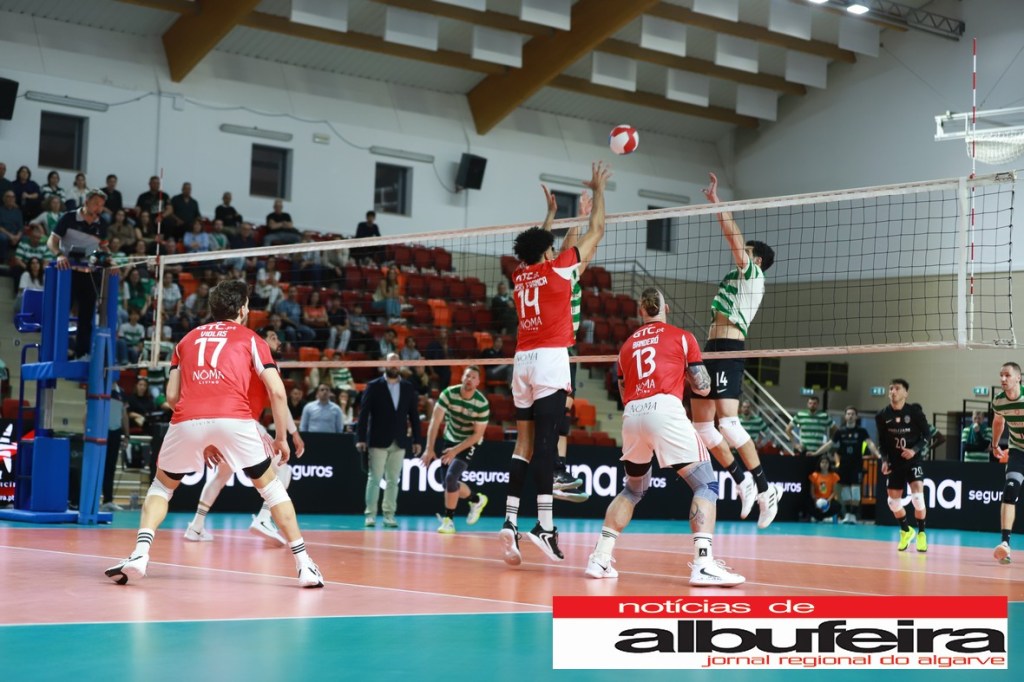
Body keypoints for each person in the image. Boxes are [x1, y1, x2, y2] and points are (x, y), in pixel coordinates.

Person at [104, 279, 323, 588]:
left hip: (187, 418)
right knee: (273, 490)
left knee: (162, 487)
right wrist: (281, 438)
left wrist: (203, 436)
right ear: (243, 309)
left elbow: (172, 396)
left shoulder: (185, 340)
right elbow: (277, 391)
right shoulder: (252, 339)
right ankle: (304, 564)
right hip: (235, 418)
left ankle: (140, 554)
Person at [584, 287, 744, 586]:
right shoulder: (682, 337)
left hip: (633, 414)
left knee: (633, 489)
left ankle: (600, 558)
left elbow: (622, 391)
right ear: (665, 308)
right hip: (665, 409)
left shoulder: (626, 346)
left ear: (641, 311)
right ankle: (703, 563)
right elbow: (703, 388)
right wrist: (689, 376)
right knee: (706, 483)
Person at [500, 161, 610, 566]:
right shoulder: (559, 270)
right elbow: (597, 230)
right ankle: (544, 526)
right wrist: (599, 191)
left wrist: (549, 216)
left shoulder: (520, 276)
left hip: (522, 362)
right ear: (548, 251)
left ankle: (510, 521)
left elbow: (535, 247)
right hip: (549, 360)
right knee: (546, 445)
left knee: (523, 445)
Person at [689, 171, 781, 529]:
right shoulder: (736, 277)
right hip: (710, 348)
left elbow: (733, 236)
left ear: (756, 260)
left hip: (729, 347)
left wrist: (717, 203)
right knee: (702, 426)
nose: (741, 255)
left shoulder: (753, 275)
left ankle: (765, 489)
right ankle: (742, 481)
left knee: (727, 422)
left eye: (747, 253)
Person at [184, 328, 306, 545]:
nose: (278, 341)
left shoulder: (236, 358)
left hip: (221, 423)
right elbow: (279, 399)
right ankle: (264, 518)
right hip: (244, 424)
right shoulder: (265, 361)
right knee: (283, 469)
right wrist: (293, 433)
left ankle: (196, 526)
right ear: (261, 341)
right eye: (273, 337)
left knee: (221, 475)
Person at [419, 366, 491, 534]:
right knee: (448, 484)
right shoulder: (449, 394)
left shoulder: (482, 404)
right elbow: (435, 422)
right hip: (449, 439)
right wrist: (429, 448)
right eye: (467, 376)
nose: (469, 379)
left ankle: (448, 521)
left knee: (451, 477)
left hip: (468, 443)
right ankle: (477, 499)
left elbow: (477, 435)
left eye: (473, 377)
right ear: (462, 378)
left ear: (478, 382)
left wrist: (455, 451)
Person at [357, 352, 422, 528]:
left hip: (400, 440)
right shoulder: (373, 386)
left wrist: (417, 439)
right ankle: (370, 514)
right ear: (384, 364)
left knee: (393, 480)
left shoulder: (408, 387)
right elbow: (364, 414)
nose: (394, 365)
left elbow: (414, 416)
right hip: (377, 439)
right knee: (375, 478)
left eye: (396, 362)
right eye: (391, 362)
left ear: (401, 365)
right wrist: (361, 438)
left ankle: (389, 515)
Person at [47, 189, 108, 359]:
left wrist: (111, 259)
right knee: (61, 313)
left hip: (89, 274)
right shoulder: (69, 217)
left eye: (101, 205)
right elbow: (52, 241)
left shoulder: (102, 223)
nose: (98, 208)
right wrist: (59, 255)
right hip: (66, 273)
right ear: (86, 202)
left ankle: (82, 354)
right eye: (96, 204)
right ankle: (56, 352)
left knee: (87, 317)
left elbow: (104, 247)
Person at [875, 378, 931, 553]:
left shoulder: (914, 412)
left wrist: (914, 450)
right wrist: (884, 460)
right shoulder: (882, 415)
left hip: (913, 460)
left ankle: (921, 533)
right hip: (894, 462)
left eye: (897, 388)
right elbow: (882, 442)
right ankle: (906, 531)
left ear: (906, 393)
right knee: (892, 502)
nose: (893, 391)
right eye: (891, 388)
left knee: (918, 497)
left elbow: (927, 435)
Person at [812, 406, 879, 524]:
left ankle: (854, 515)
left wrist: (878, 455)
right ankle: (848, 515)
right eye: (848, 414)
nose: (850, 416)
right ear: (845, 416)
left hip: (857, 465)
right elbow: (829, 444)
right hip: (844, 466)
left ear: (856, 417)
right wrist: (816, 453)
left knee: (855, 490)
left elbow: (870, 444)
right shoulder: (840, 431)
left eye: (853, 414)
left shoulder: (862, 431)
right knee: (846, 490)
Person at [989, 362, 1023, 564]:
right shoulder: (999, 401)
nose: (1003, 379)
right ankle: (1005, 545)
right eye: (1001, 375)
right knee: (1009, 491)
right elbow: (998, 422)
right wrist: (995, 445)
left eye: (1007, 375)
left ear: (1018, 378)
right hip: (1018, 451)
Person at [807, 455, 840, 523]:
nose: (824, 464)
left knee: (837, 506)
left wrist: (828, 501)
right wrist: (816, 500)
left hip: (828, 500)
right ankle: (819, 517)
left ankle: (824, 517)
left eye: (826, 463)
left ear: (829, 464)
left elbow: (834, 492)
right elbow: (812, 491)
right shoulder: (814, 475)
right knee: (808, 504)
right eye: (822, 462)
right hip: (817, 499)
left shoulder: (833, 476)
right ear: (819, 464)